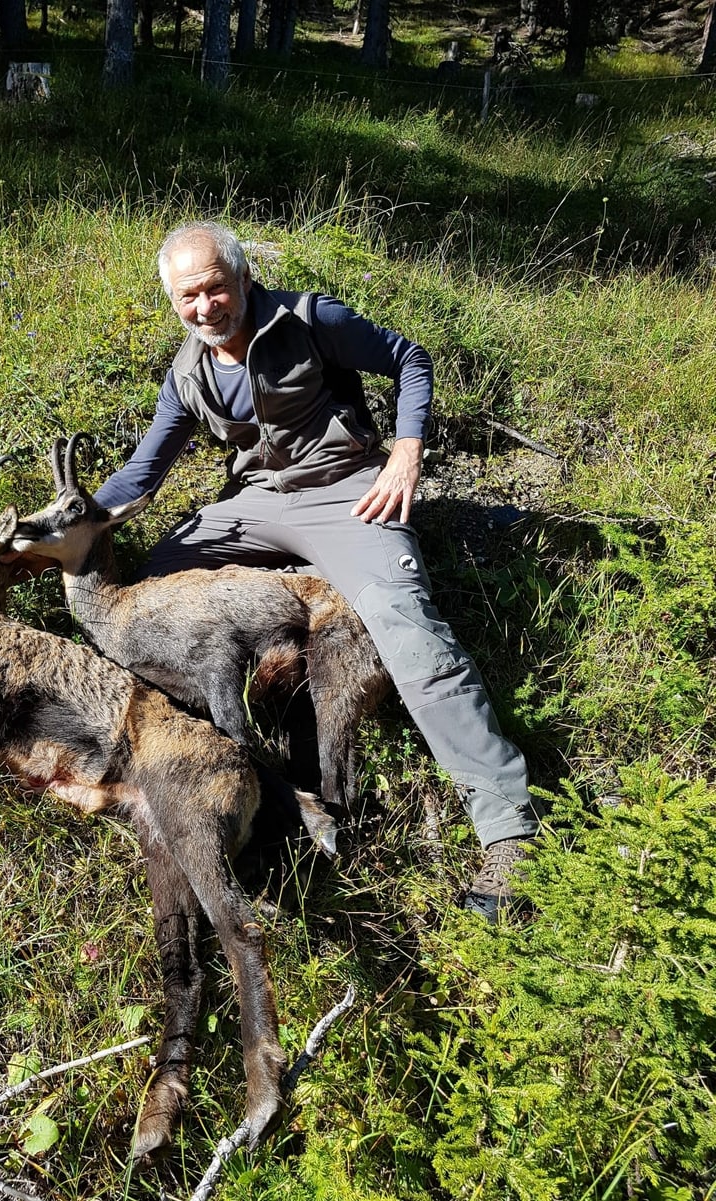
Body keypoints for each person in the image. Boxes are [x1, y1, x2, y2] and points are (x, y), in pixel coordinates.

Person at [93, 220, 540, 922]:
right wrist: (63, 524)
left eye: (215, 287)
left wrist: (405, 452)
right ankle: (215, 768)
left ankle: (509, 830)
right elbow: (144, 470)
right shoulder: (189, 372)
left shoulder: (309, 319)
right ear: (173, 301)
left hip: (348, 491)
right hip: (257, 502)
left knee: (406, 627)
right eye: (189, 296)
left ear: (243, 276)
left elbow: (409, 359)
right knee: (151, 585)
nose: (206, 306)